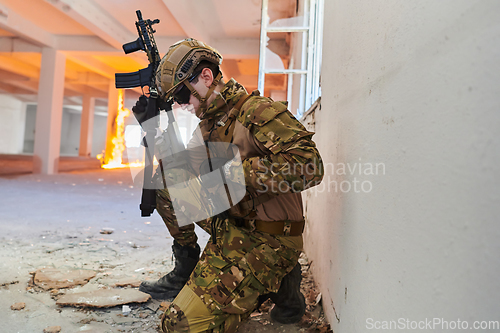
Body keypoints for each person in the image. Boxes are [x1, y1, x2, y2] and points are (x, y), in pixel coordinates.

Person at [132, 38, 323, 332]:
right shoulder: (209, 122)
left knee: (177, 326)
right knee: (166, 180)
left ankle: (278, 278)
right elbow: (189, 174)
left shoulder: (257, 111)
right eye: (175, 100)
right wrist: (153, 127)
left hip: (268, 238)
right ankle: (187, 266)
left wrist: (230, 172)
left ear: (206, 77)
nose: (182, 105)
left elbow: (310, 166)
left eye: (182, 95)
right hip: (234, 221)